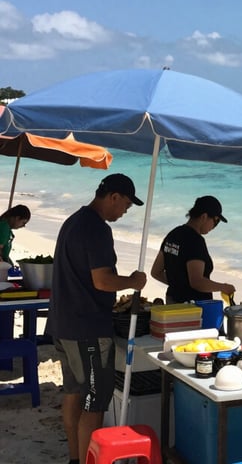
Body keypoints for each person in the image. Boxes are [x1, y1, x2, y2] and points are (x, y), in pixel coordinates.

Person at [46, 173, 147, 464]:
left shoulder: (73, 221)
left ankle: (75, 458)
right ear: (113, 197)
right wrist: (132, 281)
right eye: (125, 204)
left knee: (74, 393)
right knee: (94, 402)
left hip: (63, 323)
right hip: (87, 327)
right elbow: (102, 281)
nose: (125, 211)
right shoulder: (96, 228)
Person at [150, 195, 235, 303]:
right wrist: (224, 287)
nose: (214, 226)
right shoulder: (195, 241)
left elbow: (156, 272)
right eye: (216, 221)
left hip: (171, 302)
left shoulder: (173, 234)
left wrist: (178, 284)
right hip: (192, 309)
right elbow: (197, 282)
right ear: (204, 217)